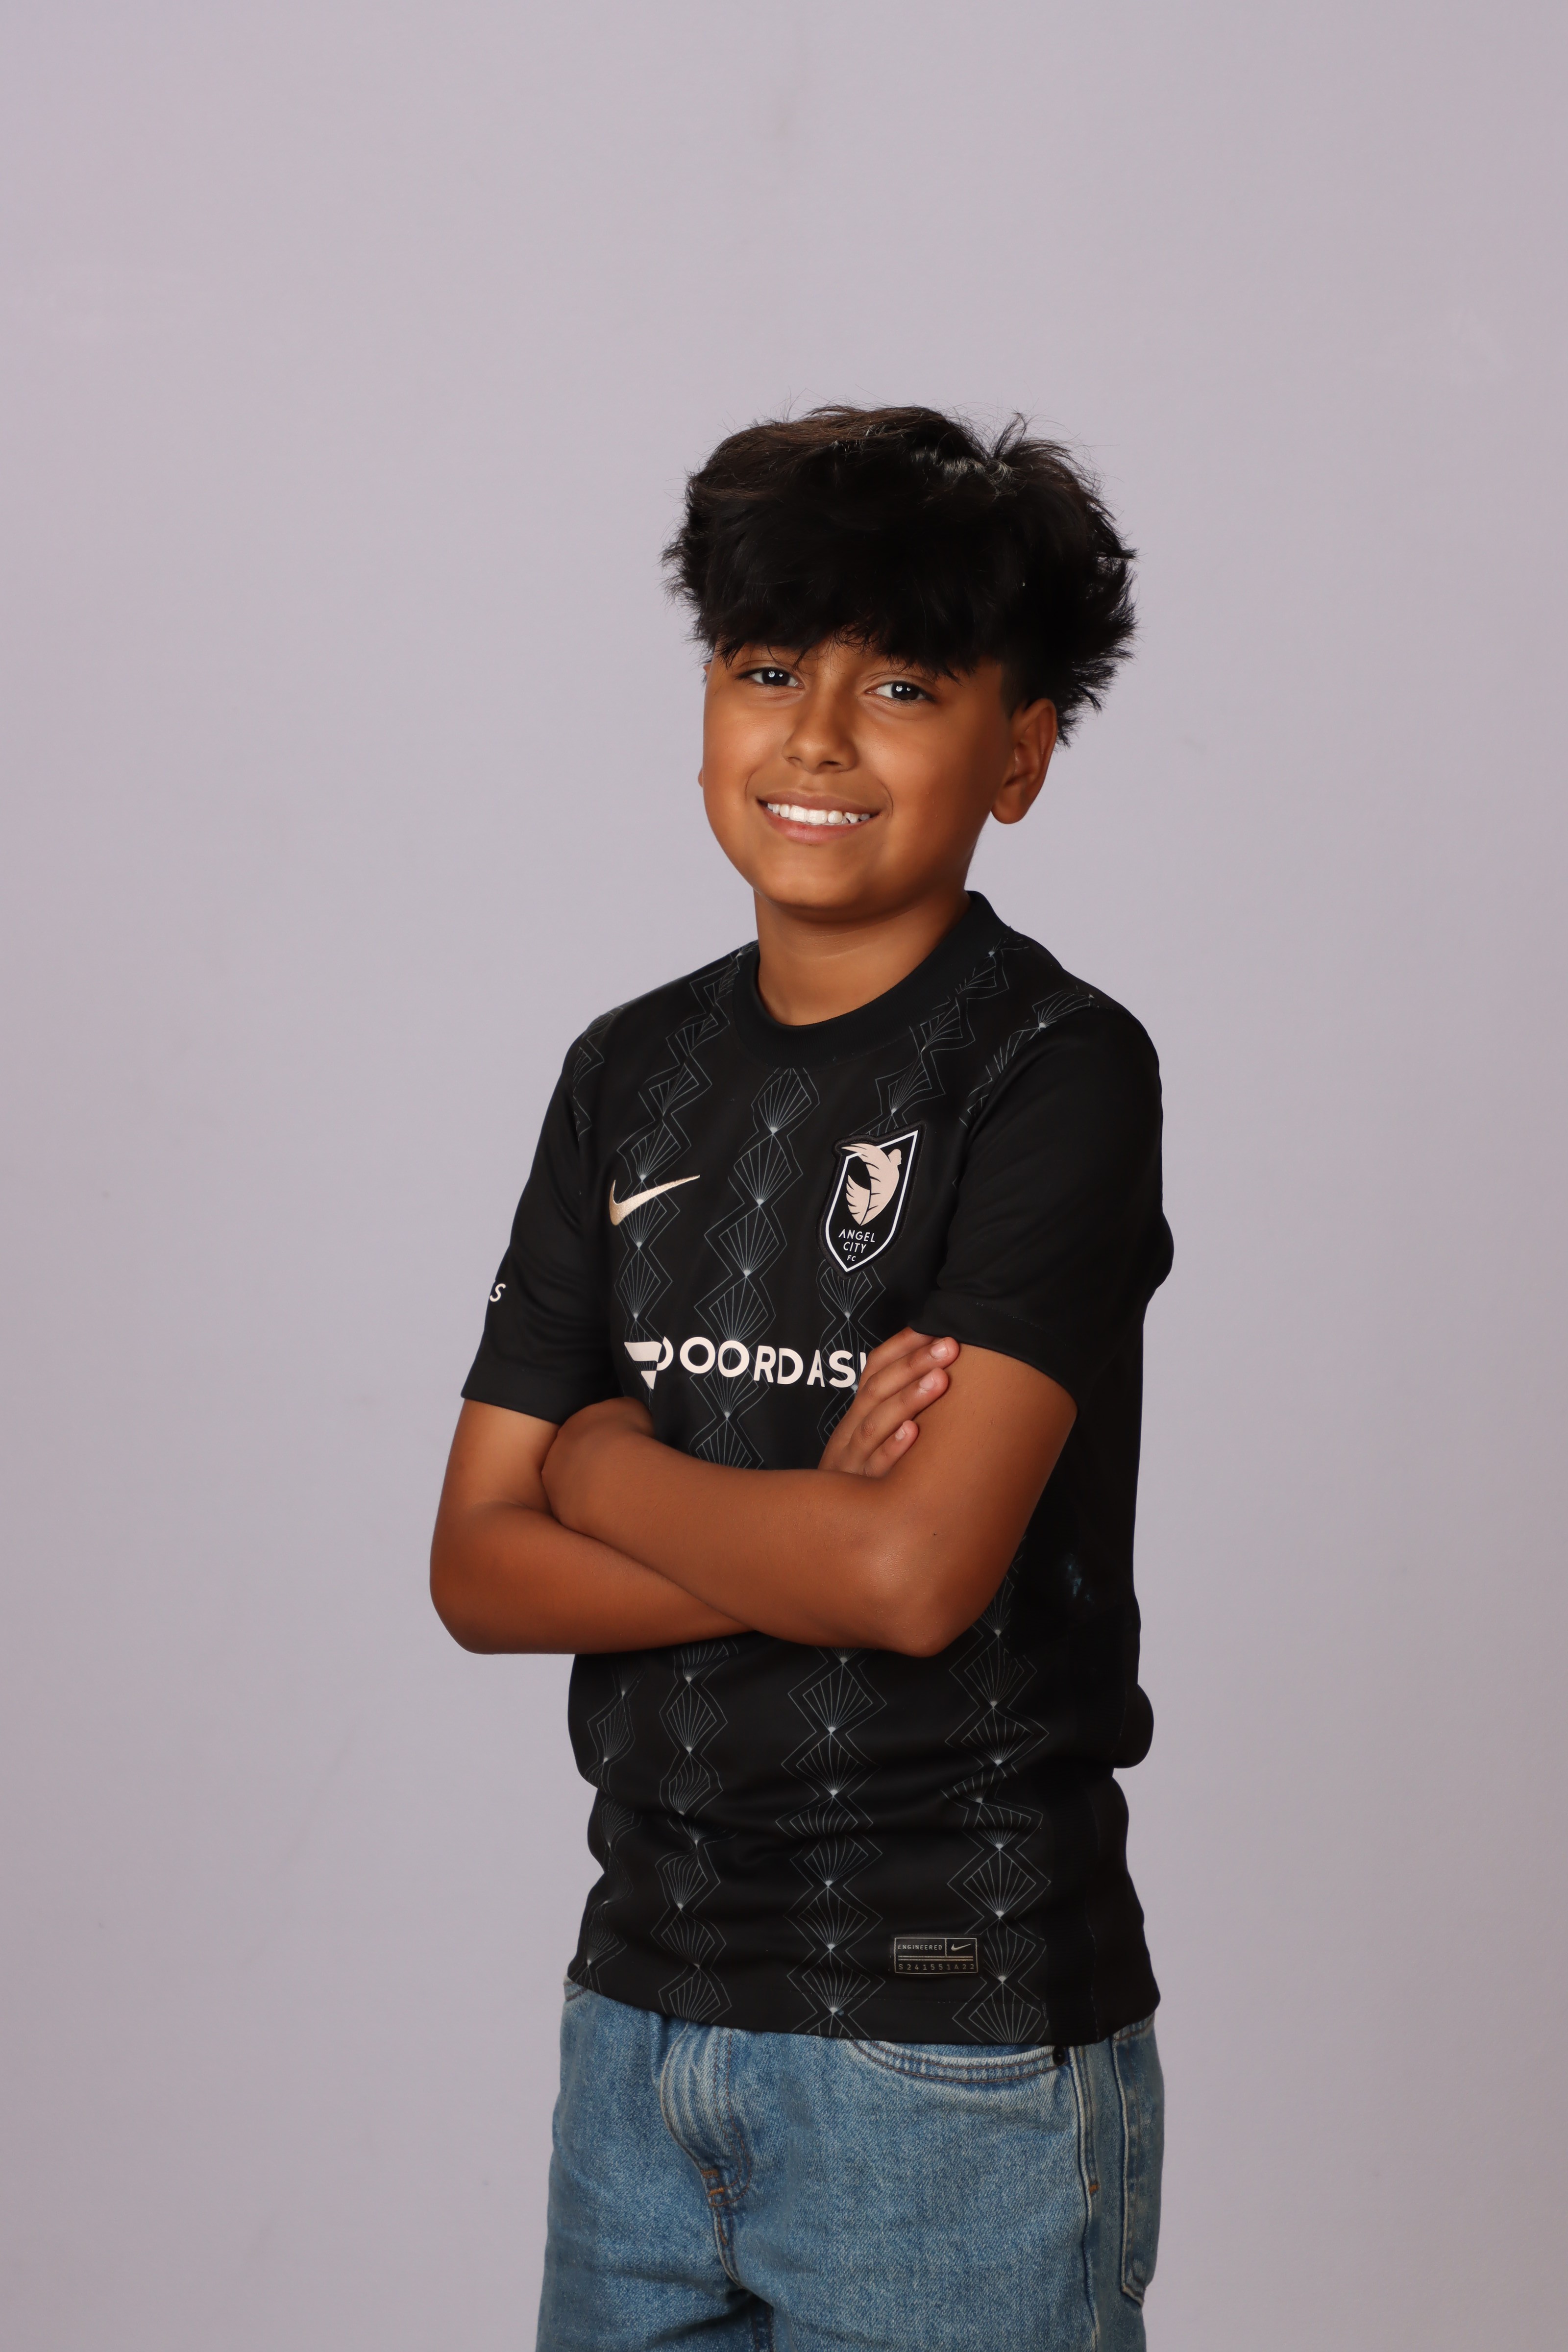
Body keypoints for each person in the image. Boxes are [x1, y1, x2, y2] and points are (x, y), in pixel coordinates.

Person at [431, 404, 1173, 2351]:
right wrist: (796, 1533)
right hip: (638, 2021)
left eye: (903, 685)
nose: (818, 738)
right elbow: (474, 1570)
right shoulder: (627, 1074)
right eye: (767, 670)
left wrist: (603, 1471)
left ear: (1019, 753)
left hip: (949, 2046)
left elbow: (908, 1581)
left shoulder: (1053, 1073)